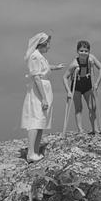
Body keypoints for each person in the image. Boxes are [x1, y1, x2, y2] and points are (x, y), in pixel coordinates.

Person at [21, 32, 64, 163]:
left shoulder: (40, 57)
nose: (49, 47)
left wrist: (55, 67)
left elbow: (44, 68)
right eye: (48, 44)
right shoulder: (35, 57)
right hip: (38, 91)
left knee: (41, 122)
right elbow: (37, 77)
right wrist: (44, 98)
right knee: (35, 120)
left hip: (43, 88)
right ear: (42, 44)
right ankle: (31, 153)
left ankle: (35, 150)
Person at [63, 40, 101, 134]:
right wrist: (68, 91)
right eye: (81, 51)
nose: (83, 53)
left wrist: (97, 82)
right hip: (76, 85)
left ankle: (95, 129)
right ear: (77, 51)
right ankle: (80, 129)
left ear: (89, 51)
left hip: (88, 84)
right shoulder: (74, 63)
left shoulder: (91, 59)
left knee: (92, 107)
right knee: (78, 108)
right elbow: (65, 77)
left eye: (86, 51)